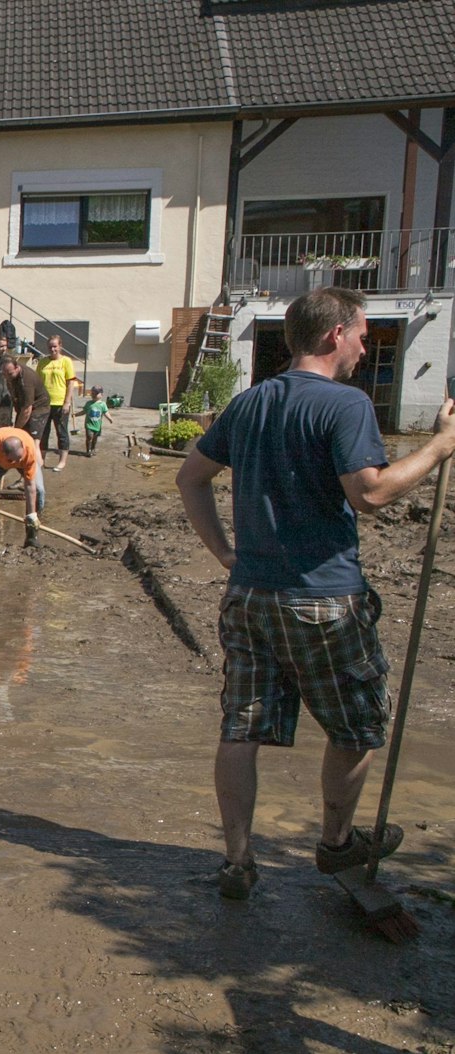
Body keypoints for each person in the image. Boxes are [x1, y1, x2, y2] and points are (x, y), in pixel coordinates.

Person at [175, 286, 455, 900]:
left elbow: (189, 477)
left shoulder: (249, 402)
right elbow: (372, 493)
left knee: (242, 729)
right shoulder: (346, 404)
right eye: (361, 335)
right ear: (334, 335)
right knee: (356, 726)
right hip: (323, 598)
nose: (363, 347)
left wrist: (226, 555)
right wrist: (438, 448)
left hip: (249, 597)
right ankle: (335, 843)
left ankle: (239, 862)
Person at [37, 336, 80, 472]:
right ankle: (41, 460)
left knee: (61, 432)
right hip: (44, 403)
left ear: (60, 346)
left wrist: (67, 402)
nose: (52, 349)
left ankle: (62, 461)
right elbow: (37, 382)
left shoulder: (66, 361)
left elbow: (70, 382)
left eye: (55, 346)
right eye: (50, 346)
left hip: (60, 402)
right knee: (43, 432)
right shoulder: (42, 362)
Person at [81, 389, 110, 456]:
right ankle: (88, 451)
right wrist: (76, 414)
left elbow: (106, 412)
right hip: (89, 425)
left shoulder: (103, 404)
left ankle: (93, 449)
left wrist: (110, 419)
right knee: (89, 437)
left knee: (95, 438)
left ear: (101, 395)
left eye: (96, 393)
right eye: (92, 393)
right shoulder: (88, 403)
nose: (94, 395)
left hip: (97, 426)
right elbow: (84, 411)